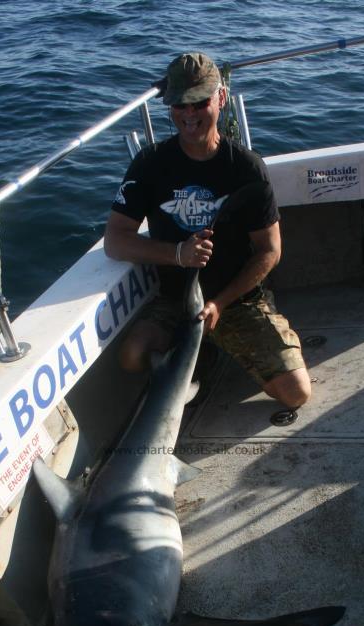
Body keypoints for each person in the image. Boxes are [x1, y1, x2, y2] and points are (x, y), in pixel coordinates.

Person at [104, 51, 311, 409]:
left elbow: (269, 250)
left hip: (236, 301)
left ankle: (224, 343)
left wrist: (220, 303)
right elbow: (115, 240)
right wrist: (177, 254)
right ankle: (207, 356)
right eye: (179, 105)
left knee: (296, 393)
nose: (189, 115)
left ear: (221, 98)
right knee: (132, 356)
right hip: (174, 301)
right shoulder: (150, 163)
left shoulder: (246, 168)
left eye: (199, 103)